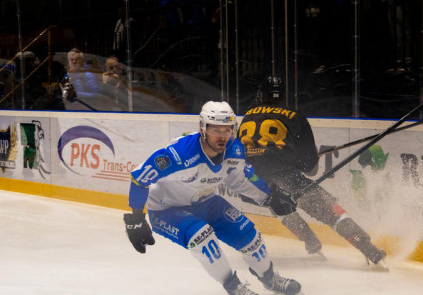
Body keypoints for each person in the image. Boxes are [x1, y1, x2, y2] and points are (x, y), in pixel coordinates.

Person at [124, 101, 302, 295]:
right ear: (203, 128)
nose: (222, 136)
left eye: (227, 130)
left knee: (251, 239)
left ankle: (270, 279)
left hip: (206, 201)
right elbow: (139, 177)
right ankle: (235, 288)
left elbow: (240, 180)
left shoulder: (235, 149)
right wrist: (135, 220)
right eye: (216, 130)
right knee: (203, 238)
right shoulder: (179, 155)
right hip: (167, 209)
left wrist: (270, 198)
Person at [237, 76, 387, 267]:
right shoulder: (294, 116)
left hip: (251, 181)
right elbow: (310, 169)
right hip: (285, 177)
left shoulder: (247, 117)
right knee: (328, 210)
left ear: (261, 94)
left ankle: (311, 242)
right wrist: (308, 158)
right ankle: (370, 250)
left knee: (278, 203)